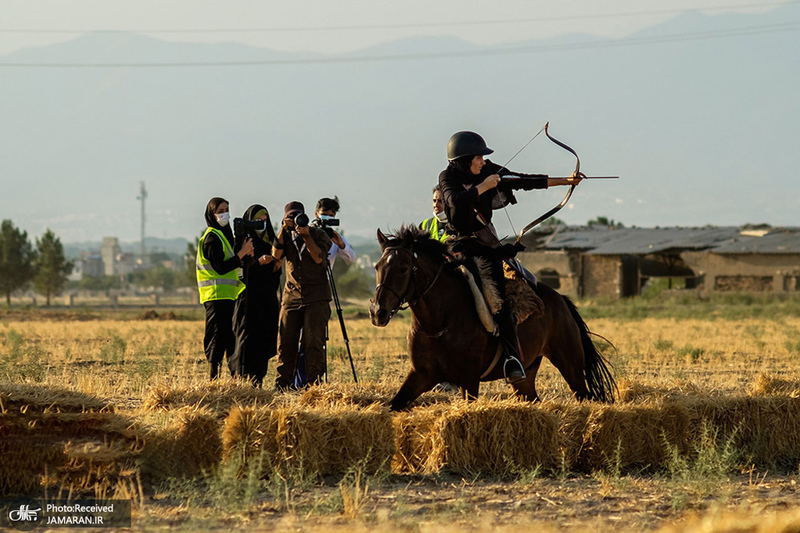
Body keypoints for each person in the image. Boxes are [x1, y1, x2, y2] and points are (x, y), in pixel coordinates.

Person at [439, 131, 582, 384]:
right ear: (463, 160)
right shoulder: (447, 177)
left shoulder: (488, 170)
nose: (483, 161)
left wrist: (566, 181)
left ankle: (513, 358)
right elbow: (455, 200)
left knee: (498, 302)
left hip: (483, 248)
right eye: (479, 157)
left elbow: (522, 180)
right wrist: (485, 186)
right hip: (456, 246)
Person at [272, 201, 333, 390]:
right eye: (291, 217)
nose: (295, 221)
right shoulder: (285, 236)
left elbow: (318, 258)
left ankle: (312, 386)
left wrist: (306, 236)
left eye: (298, 216)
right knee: (286, 342)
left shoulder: (318, 235)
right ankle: (282, 384)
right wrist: (283, 230)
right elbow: (276, 256)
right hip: (291, 295)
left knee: (313, 342)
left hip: (316, 296)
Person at [196, 197, 253, 380]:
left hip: (227, 296)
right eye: (220, 210)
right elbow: (221, 267)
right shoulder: (211, 237)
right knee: (216, 337)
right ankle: (214, 378)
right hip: (215, 295)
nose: (225, 213)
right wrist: (242, 253)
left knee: (228, 337)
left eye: (226, 209)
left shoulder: (223, 235)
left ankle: (231, 377)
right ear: (212, 214)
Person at [230, 204, 282, 387]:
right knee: (245, 340)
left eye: (265, 220)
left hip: (267, 301)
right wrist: (257, 263)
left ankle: (257, 380)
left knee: (264, 339)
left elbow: (276, 276)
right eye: (258, 221)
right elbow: (239, 272)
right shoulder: (242, 242)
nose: (262, 224)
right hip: (248, 301)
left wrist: (275, 267)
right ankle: (242, 381)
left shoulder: (271, 242)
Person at [314, 196, 356, 268]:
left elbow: (351, 260)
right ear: (316, 214)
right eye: (324, 215)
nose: (327, 218)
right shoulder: (306, 233)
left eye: (331, 215)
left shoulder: (334, 237)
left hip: (325, 278)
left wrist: (342, 245)